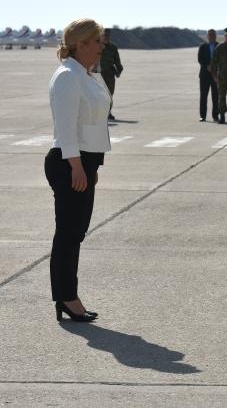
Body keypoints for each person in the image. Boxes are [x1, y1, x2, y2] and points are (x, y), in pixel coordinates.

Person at [45, 18, 111, 323]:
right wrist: (77, 167)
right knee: (68, 235)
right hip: (69, 163)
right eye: (96, 41)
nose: (101, 46)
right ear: (81, 44)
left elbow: (93, 123)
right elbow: (66, 129)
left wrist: (93, 165)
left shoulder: (86, 74)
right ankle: (66, 297)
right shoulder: (68, 77)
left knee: (75, 233)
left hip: (84, 163)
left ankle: (67, 296)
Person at [99, 28, 122, 121]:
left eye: (107, 35)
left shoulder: (113, 47)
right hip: (97, 74)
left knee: (109, 95)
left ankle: (108, 113)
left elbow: (117, 62)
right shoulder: (96, 46)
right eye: (104, 35)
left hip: (109, 75)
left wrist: (118, 72)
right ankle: (99, 113)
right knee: (98, 95)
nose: (106, 37)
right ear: (101, 36)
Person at [197, 29, 219, 122]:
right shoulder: (202, 46)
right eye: (210, 35)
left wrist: (214, 67)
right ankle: (203, 116)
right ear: (207, 36)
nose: (211, 36)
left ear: (215, 36)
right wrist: (207, 66)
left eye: (213, 34)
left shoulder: (219, 46)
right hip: (204, 75)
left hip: (216, 75)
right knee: (203, 96)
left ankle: (215, 116)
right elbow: (200, 59)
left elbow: (221, 59)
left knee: (216, 96)